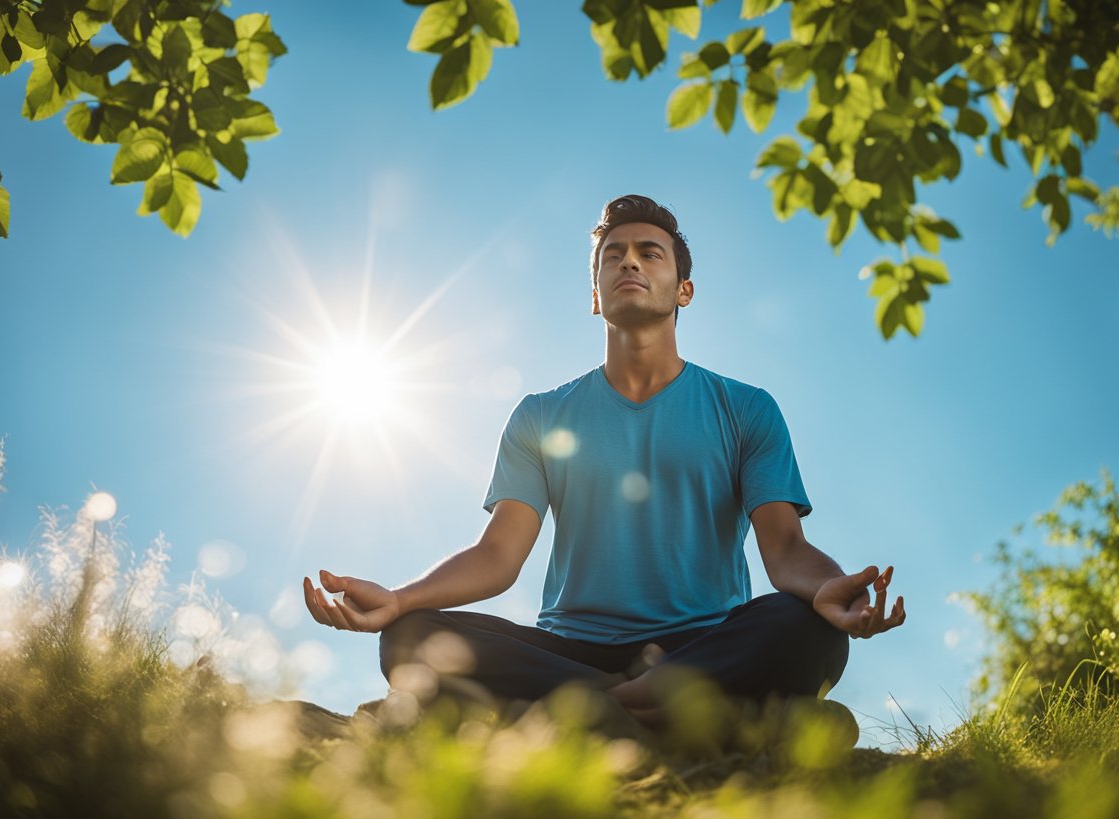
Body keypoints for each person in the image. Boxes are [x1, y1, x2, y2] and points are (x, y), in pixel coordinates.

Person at [303, 195, 906, 726]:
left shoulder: (747, 409)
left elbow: (785, 549)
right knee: (409, 637)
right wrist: (402, 599)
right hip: (569, 649)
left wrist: (833, 590)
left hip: (703, 644)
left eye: (650, 253)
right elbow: (498, 555)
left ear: (684, 291)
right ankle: (647, 704)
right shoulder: (541, 415)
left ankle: (584, 709)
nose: (630, 262)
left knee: (808, 631)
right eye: (613, 255)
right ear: (596, 296)